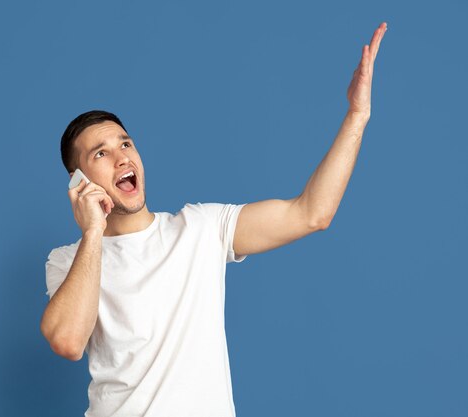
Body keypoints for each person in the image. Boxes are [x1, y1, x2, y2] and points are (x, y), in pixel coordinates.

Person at [40, 22, 387, 417]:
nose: (122, 157)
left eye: (125, 143)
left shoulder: (200, 229)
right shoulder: (68, 261)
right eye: (100, 154)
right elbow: (68, 341)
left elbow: (310, 213)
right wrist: (93, 232)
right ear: (79, 182)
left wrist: (357, 116)